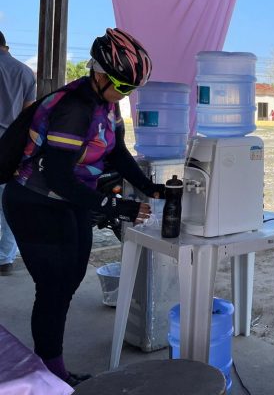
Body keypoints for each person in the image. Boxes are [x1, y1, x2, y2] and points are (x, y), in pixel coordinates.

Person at [2, 28, 163, 387]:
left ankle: (50, 364)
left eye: (132, 89)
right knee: (53, 287)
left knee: (70, 280)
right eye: (123, 86)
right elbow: (58, 177)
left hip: (70, 200)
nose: (126, 94)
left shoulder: (107, 102)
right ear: (100, 74)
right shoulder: (74, 108)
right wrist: (116, 206)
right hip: (35, 203)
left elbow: (117, 153)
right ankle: (51, 375)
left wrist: (149, 187)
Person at [0, 30, 36, 275]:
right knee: (8, 205)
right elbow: (28, 116)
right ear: (6, 46)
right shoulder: (24, 72)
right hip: (9, 146)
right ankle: (5, 259)